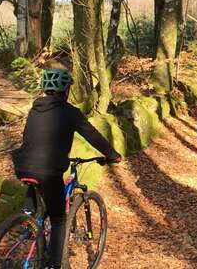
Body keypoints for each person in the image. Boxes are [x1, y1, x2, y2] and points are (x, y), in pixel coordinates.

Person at [12, 68, 122, 269]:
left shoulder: (34, 110)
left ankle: (28, 220)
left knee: (40, 199)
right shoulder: (70, 112)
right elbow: (92, 135)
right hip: (48, 170)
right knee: (59, 218)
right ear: (66, 91)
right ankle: (54, 264)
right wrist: (112, 154)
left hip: (23, 166)